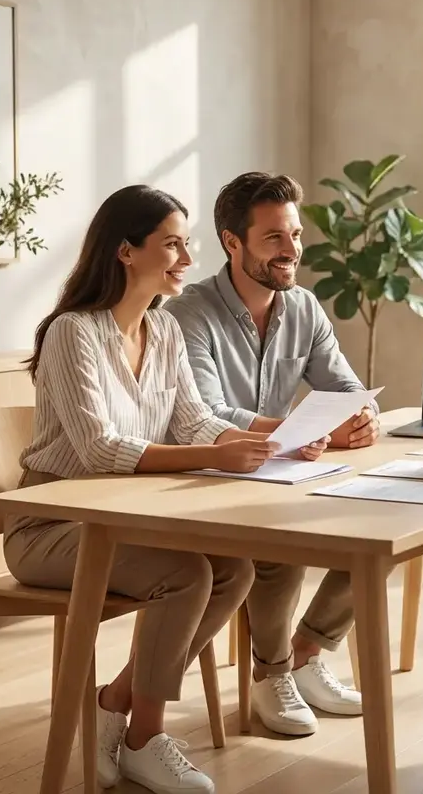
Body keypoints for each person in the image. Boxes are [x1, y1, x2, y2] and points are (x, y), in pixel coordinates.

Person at [7, 185, 327, 794]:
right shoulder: (72, 333)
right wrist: (218, 453)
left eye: (187, 244)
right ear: (126, 252)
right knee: (186, 574)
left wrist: (278, 439)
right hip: (51, 525)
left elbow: (194, 420)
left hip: (123, 518)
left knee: (233, 567)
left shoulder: (164, 331)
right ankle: (143, 737)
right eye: (172, 244)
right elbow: (99, 449)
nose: (185, 257)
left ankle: (113, 701)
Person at [164, 171, 381, 736]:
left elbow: (345, 390)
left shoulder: (303, 308)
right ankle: (272, 675)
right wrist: (292, 429)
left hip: (279, 471)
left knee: (383, 531)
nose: (292, 252)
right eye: (274, 240)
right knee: (285, 543)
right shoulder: (190, 313)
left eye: (295, 236)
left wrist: (359, 420)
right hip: (206, 475)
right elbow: (206, 414)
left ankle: (306, 650)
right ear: (232, 243)